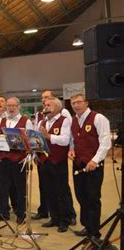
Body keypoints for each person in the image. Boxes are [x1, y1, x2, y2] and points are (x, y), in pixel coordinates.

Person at [69, 93, 111, 237]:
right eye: (73, 103)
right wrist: (71, 150)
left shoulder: (98, 118)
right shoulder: (74, 120)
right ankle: (87, 226)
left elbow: (106, 142)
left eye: (79, 102)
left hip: (93, 165)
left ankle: (94, 232)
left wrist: (95, 160)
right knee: (81, 196)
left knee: (92, 198)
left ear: (86, 103)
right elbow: (73, 140)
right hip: (78, 164)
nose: (76, 105)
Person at [37, 97, 72, 233]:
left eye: (49, 105)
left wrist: (49, 136)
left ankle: (65, 220)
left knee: (61, 192)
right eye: (45, 105)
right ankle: (54, 218)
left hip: (58, 161)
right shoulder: (42, 121)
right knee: (49, 191)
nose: (45, 107)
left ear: (57, 107)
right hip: (44, 161)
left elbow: (65, 140)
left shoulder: (64, 121)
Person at [0, 97, 33, 224]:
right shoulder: (2, 120)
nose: (11, 108)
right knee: (2, 187)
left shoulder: (26, 121)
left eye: (13, 105)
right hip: (3, 159)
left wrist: (28, 158)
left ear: (19, 106)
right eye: (9, 105)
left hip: (19, 160)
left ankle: (20, 213)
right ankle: (3, 212)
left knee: (20, 188)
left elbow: (31, 141)